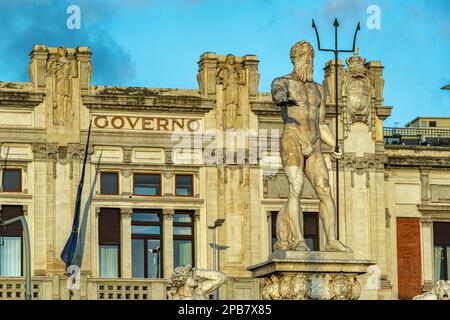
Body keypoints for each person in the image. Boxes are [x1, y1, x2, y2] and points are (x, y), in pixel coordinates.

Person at [271, 40, 351, 253]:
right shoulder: (283, 82)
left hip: (314, 144)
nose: (308, 60)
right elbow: (277, 93)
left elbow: (321, 123)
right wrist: (282, 99)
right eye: (304, 56)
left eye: (311, 57)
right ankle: (298, 240)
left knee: (325, 189)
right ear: (294, 59)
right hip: (292, 140)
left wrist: (334, 143)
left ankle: (331, 240)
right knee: (295, 187)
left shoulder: (318, 89)